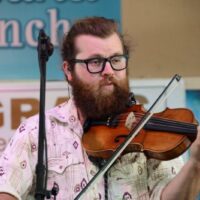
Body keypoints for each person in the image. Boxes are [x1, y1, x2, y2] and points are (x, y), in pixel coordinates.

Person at [0, 16, 199, 200]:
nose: (109, 71)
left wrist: (195, 164)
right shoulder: (36, 131)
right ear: (68, 70)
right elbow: (5, 190)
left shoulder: (147, 130)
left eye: (116, 60)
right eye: (95, 62)